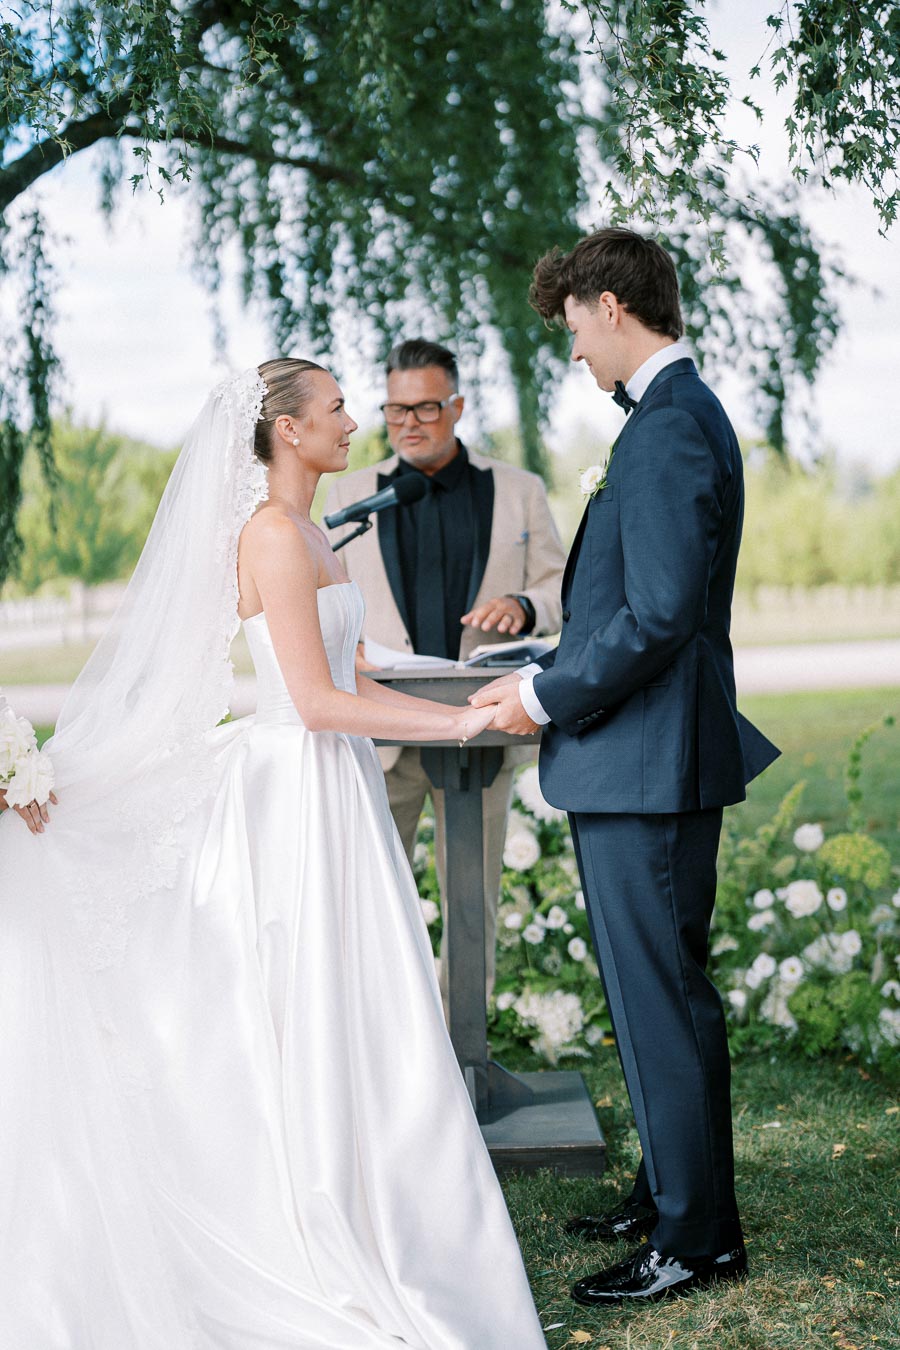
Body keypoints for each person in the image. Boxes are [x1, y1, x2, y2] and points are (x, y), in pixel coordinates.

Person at [0, 359, 548, 1347]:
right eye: (338, 409)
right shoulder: (270, 538)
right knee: (315, 1001)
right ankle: (321, 1200)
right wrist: (464, 728)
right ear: (286, 433)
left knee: (361, 1003)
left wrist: (462, 688)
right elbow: (314, 703)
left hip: (333, 787)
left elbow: (356, 664)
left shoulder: (311, 532)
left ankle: (383, 1188)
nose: (354, 423)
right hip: (299, 790)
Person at [471, 228, 780, 1307]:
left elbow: (657, 616)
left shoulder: (669, 430)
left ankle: (694, 1238)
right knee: (657, 994)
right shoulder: (669, 421)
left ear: (610, 306)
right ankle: (672, 1195)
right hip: (644, 757)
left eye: (572, 334)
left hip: (647, 763)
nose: (574, 357)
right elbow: (631, 605)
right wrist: (543, 659)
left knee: (660, 999)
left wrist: (544, 693)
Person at [323, 339, 566, 1003]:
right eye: (395, 409)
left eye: (426, 407)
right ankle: (382, 1044)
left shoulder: (517, 491)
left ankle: (464, 1056)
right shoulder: (347, 495)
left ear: (456, 406)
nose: (409, 423)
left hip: (481, 727)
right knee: (369, 902)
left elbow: (564, 589)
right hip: (378, 732)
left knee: (471, 902)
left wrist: (523, 603)